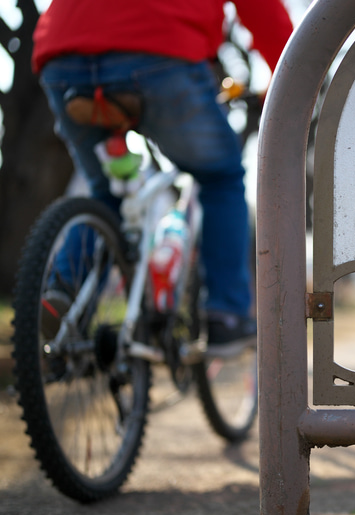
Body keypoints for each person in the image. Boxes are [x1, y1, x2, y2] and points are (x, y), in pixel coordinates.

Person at [32, 0, 293, 356]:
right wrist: (296, 84)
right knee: (221, 176)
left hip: (62, 55)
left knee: (105, 191)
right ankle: (227, 316)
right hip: (160, 50)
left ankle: (64, 292)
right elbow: (264, 13)